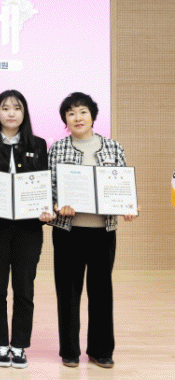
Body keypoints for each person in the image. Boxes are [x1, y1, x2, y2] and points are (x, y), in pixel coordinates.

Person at [48, 92, 139, 369]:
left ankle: (101, 350)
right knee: (68, 292)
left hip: (102, 232)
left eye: (83, 112)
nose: (78, 118)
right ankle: (69, 351)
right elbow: (49, 188)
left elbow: (121, 185)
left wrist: (128, 205)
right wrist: (56, 205)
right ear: (65, 119)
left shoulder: (112, 147)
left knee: (101, 292)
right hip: (68, 231)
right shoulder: (57, 149)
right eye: (71, 113)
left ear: (92, 116)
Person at [0, 90, 53, 369]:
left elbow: (43, 184)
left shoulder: (38, 144)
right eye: (5, 108)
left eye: (17, 108)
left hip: (28, 229)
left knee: (24, 288)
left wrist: (45, 209)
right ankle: (0, 343)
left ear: (24, 113)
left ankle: (19, 345)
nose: (11, 113)